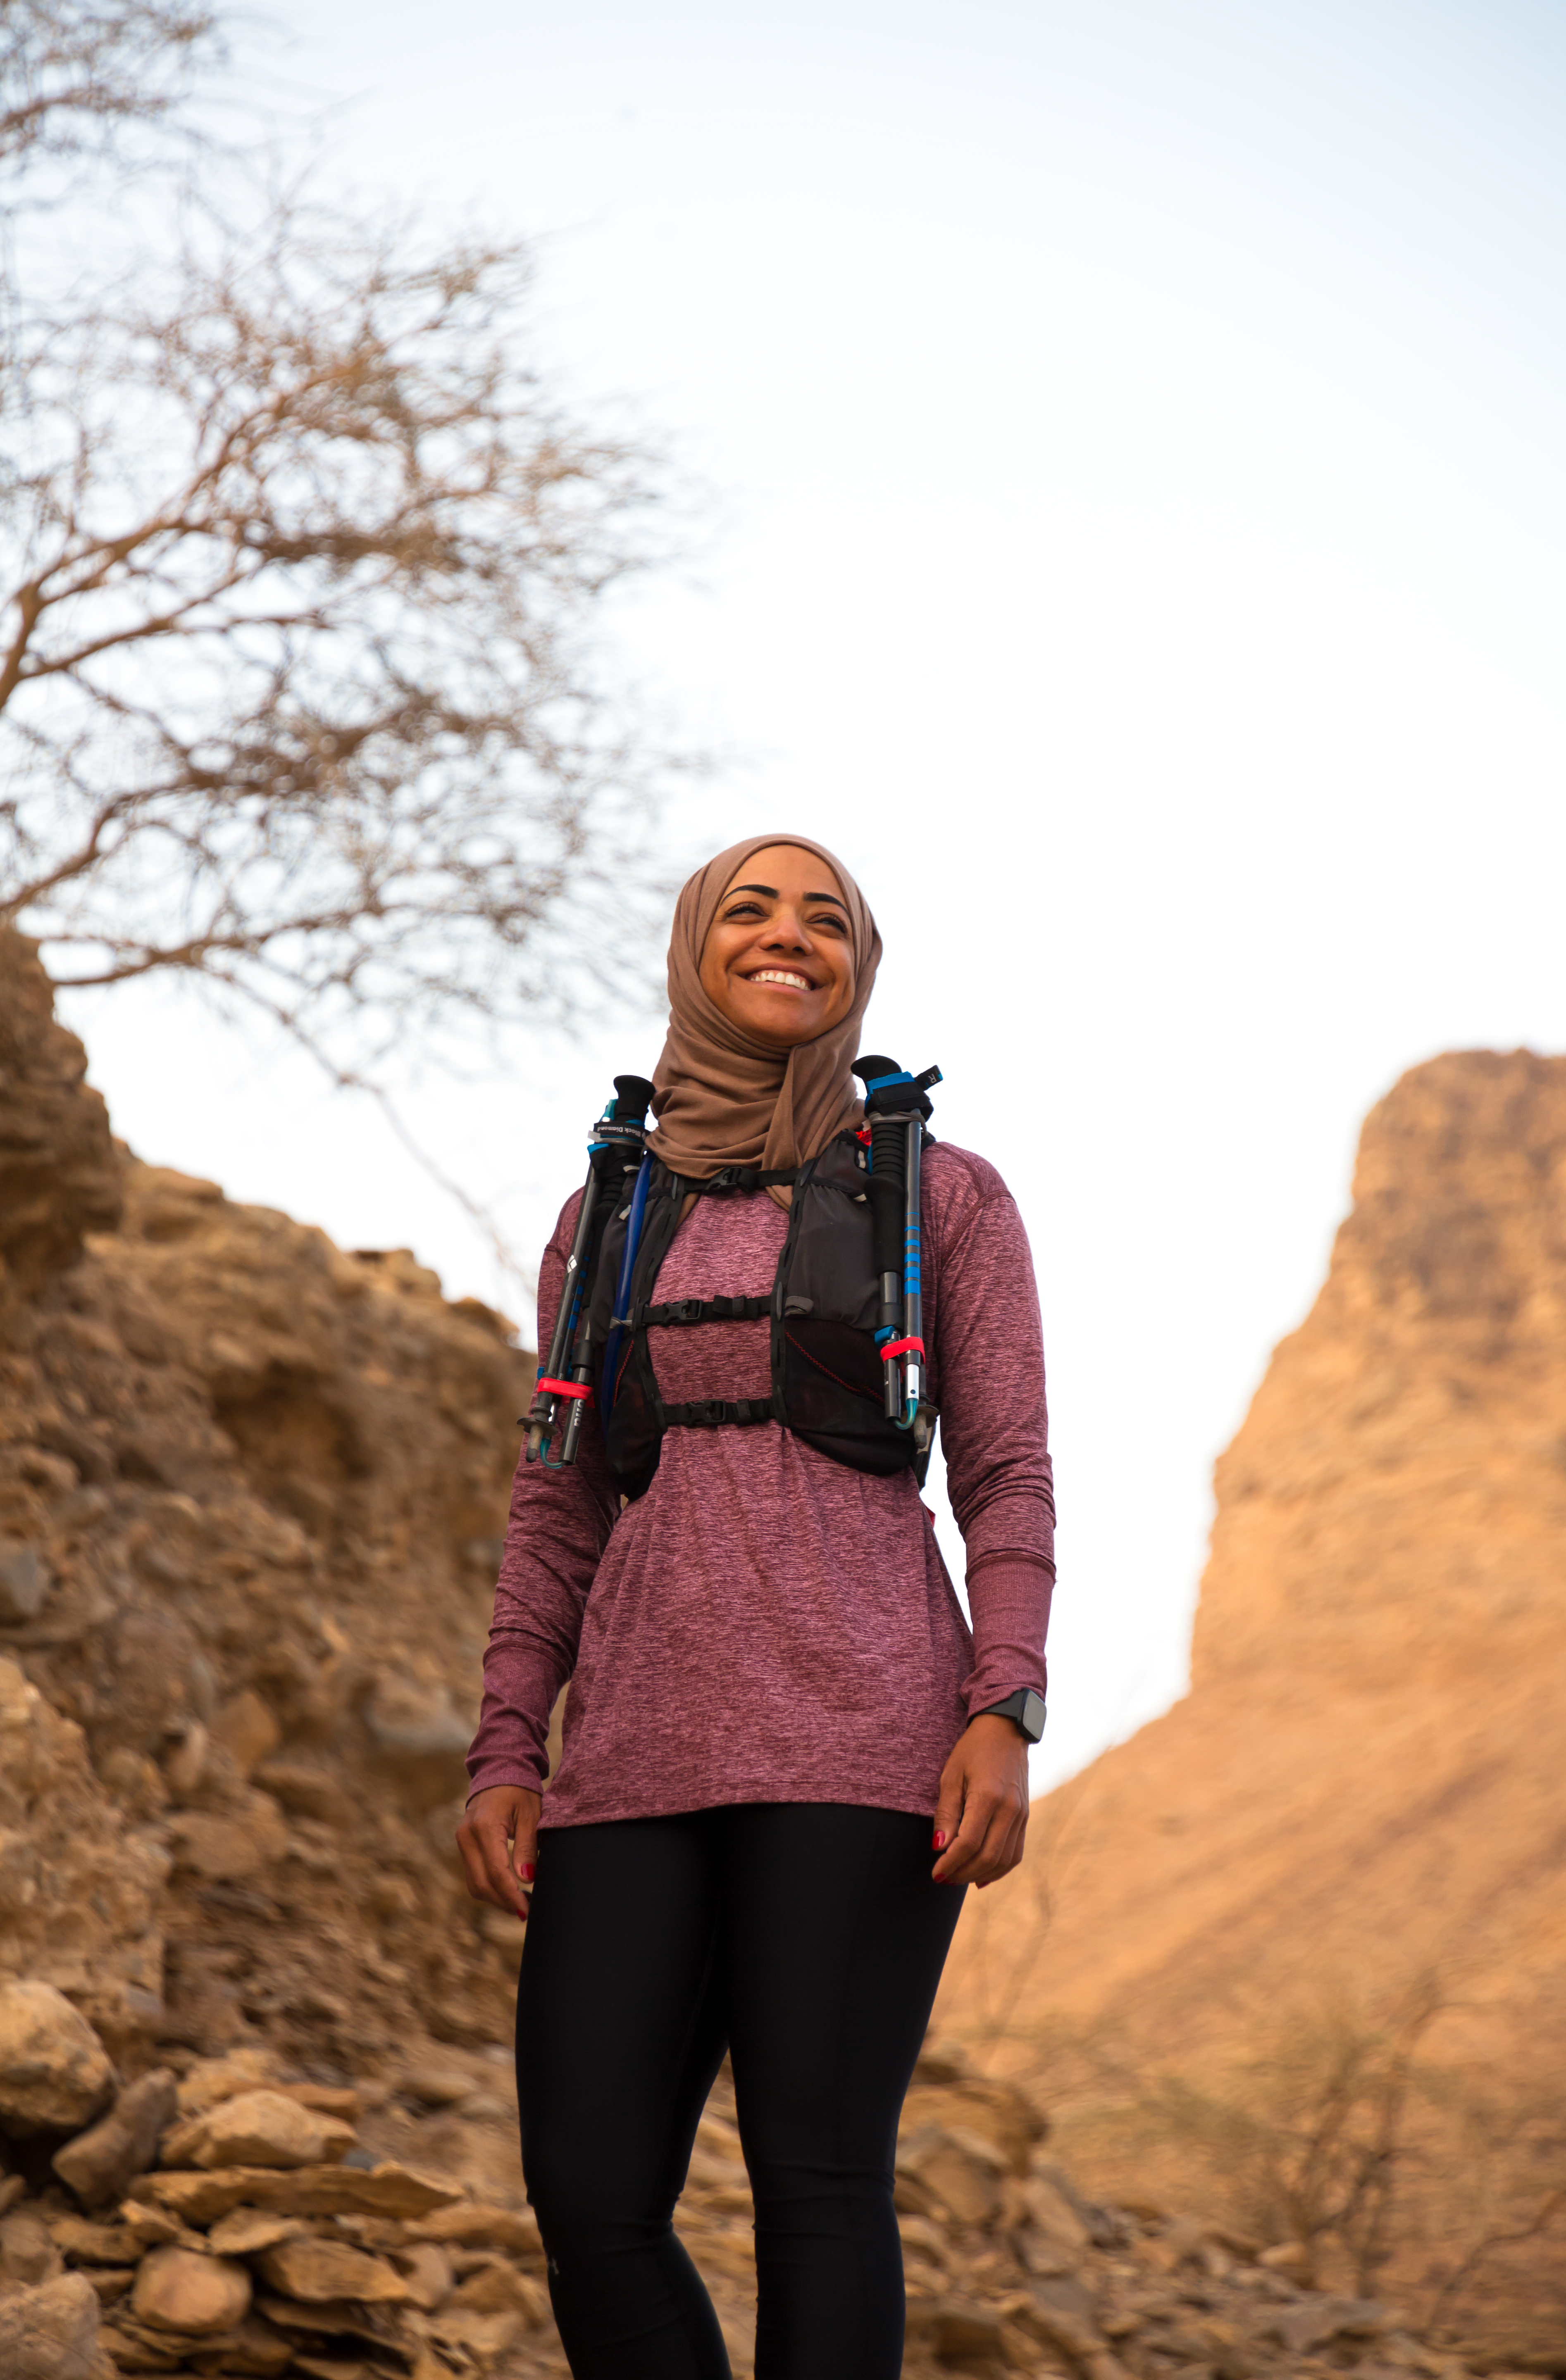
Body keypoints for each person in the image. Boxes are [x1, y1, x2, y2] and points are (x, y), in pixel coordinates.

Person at [457, 834, 1055, 2380]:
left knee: (817, 2183)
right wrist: (507, 1745)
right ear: (694, 947)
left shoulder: (947, 1196)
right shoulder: (610, 1218)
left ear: (861, 963)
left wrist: (1006, 1706)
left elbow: (1005, 1473)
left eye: (827, 920)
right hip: (634, 1752)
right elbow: (561, 1498)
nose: (791, 938)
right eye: (751, 909)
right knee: (588, 2194)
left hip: (864, 1741)